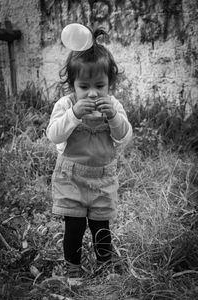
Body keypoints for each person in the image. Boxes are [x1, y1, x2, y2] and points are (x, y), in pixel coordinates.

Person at [46, 24, 132, 280]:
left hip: (103, 179)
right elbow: (54, 135)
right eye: (84, 87)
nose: (92, 93)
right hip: (71, 177)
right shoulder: (66, 104)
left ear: (109, 84)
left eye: (100, 85)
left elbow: (124, 136)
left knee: (100, 226)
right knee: (74, 226)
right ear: (73, 85)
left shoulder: (113, 106)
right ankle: (73, 270)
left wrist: (114, 117)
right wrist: (73, 115)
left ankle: (105, 267)